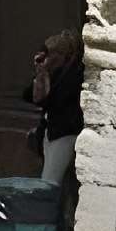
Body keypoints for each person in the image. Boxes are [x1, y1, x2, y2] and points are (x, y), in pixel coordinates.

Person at [28, 29, 83, 189]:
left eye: (53, 53)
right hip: (51, 131)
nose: (48, 57)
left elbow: (53, 101)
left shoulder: (74, 76)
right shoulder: (54, 73)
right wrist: (41, 73)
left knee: (49, 182)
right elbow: (34, 97)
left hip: (64, 133)